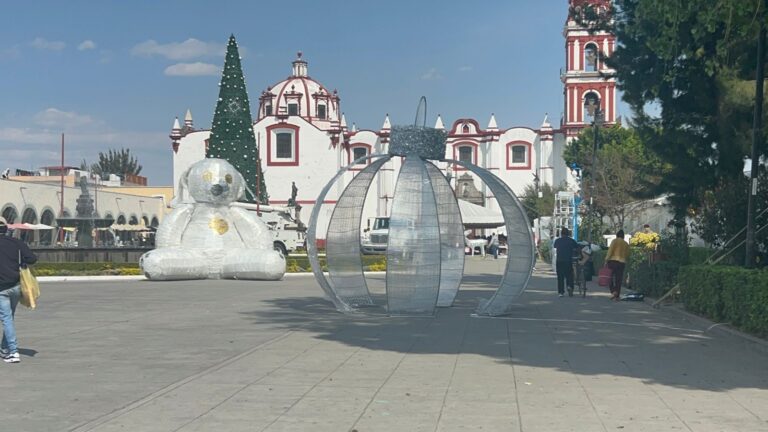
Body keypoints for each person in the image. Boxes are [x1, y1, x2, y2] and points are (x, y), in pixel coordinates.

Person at [0, 216, 38, 363]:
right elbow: (32, 259)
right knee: (8, 318)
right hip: (15, 286)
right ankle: (4, 348)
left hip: (1, 289)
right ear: (7, 229)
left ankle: (14, 351)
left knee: (6, 319)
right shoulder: (16, 243)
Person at [605, 229, 630, 301]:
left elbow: (610, 251)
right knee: (618, 279)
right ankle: (617, 296)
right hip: (621, 262)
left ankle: (613, 291)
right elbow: (628, 254)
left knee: (610, 277)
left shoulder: (614, 241)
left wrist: (606, 259)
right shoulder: (626, 243)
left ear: (617, 235)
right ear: (623, 236)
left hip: (612, 261)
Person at [553, 227, 578, 297]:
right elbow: (577, 247)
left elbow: (555, 247)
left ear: (561, 234)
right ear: (568, 234)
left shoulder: (557, 241)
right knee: (569, 275)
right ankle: (570, 286)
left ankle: (561, 292)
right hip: (568, 260)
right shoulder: (571, 241)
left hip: (559, 260)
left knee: (560, 277)